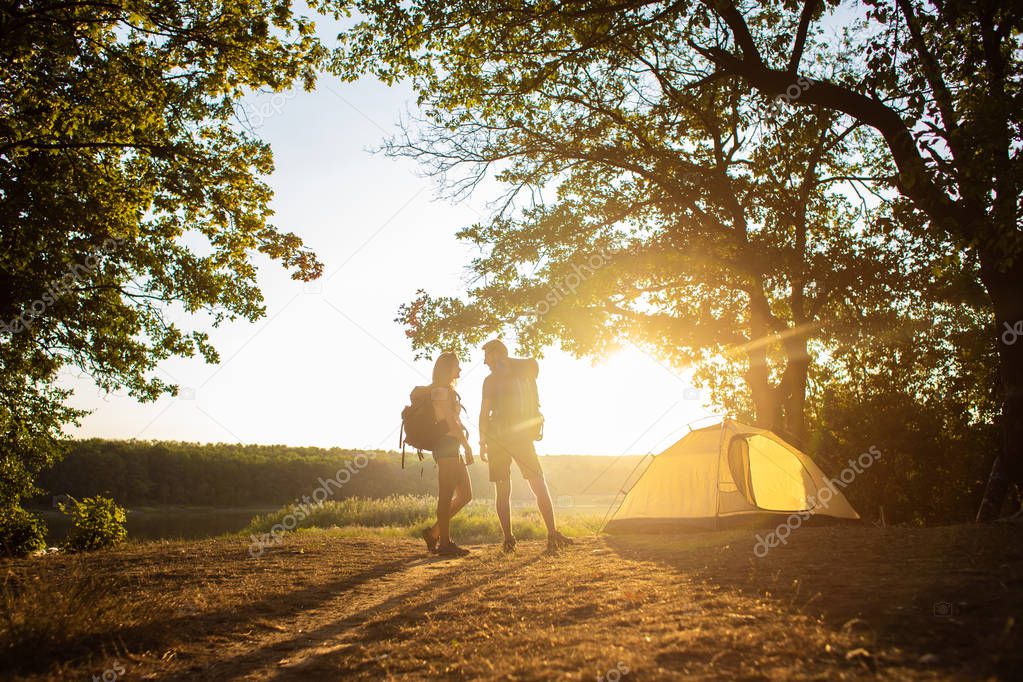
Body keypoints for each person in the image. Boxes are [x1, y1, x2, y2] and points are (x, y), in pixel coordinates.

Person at [478, 339, 572, 553]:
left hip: (498, 438)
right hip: (521, 436)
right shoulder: (523, 373)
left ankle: (509, 539)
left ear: (495, 354)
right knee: (539, 483)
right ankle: (552, 533)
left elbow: (484, 413)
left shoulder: (490, 381)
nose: (484, 362)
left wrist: (482, 441)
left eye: (487, 356)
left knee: (502, 490)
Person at [422, 352, 474, 556]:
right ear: (447, 369)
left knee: (466, 495)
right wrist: (467, 446)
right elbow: (452, 423)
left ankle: (434, 533)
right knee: (446, 495)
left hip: (452, 444)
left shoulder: (446, 390)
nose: (460, 369)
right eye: (457, 366)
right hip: (447, 444)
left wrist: (463, 444)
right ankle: (444, 544)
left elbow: (454, 421)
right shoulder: (442, 391)